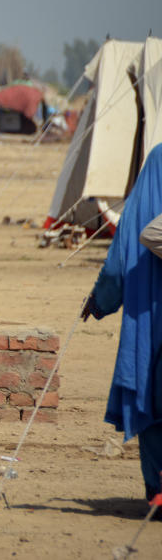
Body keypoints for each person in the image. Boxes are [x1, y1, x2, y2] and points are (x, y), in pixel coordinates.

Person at [82, 143, 162, 512]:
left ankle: (157, 491)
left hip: (151, 320)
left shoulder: (149, 189)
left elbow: (119, 265)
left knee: (153, 396)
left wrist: (100, 301)